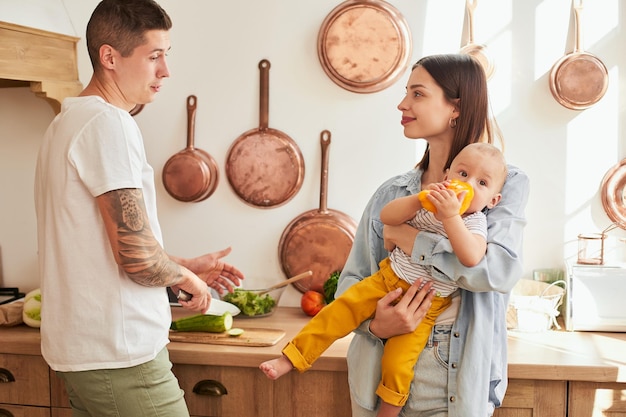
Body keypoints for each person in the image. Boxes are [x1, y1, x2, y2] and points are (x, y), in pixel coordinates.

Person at [34, 1, 244, 416]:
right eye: (154, 56)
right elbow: (134, 256)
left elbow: (106, 241)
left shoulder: (66, 122)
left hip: (86, 352)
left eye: (167, 55)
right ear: (109, 57)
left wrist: (183, 263)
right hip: (120, 356)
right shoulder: (108, 124)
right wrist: (188, 279)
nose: (165, 70)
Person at [337, 54, 529, 417]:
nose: (402, 103)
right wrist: (376, 324)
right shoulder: (392, 194)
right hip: (377, 369)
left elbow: (498, 273)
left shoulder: (503, 185)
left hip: (452, 381)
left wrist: (414, 242)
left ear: (455, 108)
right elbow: (351, 282)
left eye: (418, 94)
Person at [260, 142, 508, 417]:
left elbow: (471, 257)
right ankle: (290, 358)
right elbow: (386, 217)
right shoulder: (428, 204)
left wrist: (451, 216)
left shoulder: (474, 222)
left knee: (399, 363)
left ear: (493, 200)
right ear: (446, 174)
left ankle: (387, 412)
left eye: (482, 183)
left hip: (426, 306)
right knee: (337, 313)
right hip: (386, 281)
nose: (468, 184)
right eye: (462, 174)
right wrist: (418, 200)